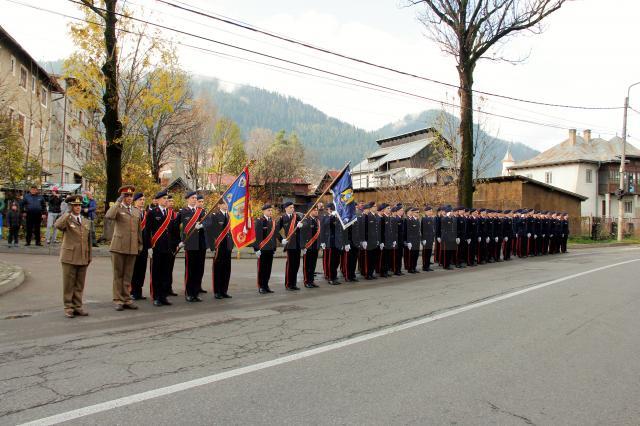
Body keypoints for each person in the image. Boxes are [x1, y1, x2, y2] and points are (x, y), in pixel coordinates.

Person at [105, 185, 142, 311]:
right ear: (122, 197)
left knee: (128, 275)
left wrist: (140, 244)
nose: (129, 198)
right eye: (126, 195)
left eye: (131, 196)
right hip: (118, 247)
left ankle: (127, 298)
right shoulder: (118, 209)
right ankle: (118, 299)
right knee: (118, 275)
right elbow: (109, 215)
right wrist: (117, 201)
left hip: (132, 247)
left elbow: (138, 231)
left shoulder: (136, 211)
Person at [55, 195, 92, 318]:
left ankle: (77, 306)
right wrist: (66, 214)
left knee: (79, 283)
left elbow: (89, 241)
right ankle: (68, 307)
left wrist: (89, 256)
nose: (78, 208)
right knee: (68, 283)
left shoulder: (86, 221)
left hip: (82, 256)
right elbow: (58, 225)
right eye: (75, 205)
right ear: (71, 207)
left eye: (79, 205)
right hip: (69, 257)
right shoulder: (67, 219)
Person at [145, 190, 176, 306]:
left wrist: (175, 244)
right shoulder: (152, 213)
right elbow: (148, 231)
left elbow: (173, 231)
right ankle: (156, 296)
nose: (166, 200)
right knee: (156, 273)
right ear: (158, 200)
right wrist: (148, 247)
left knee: (165, 272)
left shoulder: (170, 213)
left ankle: (163, 296)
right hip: (156, 247)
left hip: (167, 247)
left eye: (167, 199)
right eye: (164, 198)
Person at [177, 191, 207, 302]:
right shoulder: (183, 212)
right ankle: (189, 293)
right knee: (190, 270)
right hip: (190, 244)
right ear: (188, 199)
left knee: (198, 270)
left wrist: (203, 225)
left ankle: (195, 292)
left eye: (195, 198)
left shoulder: (202, 211)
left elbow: (209, 223)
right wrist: (179, 241)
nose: (194, 200)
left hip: (201, 244)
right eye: (192, 198)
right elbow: (176, 227)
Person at [206, 198, 234, 299]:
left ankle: (224, 290)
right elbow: (209, 232)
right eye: (224, 204)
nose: (226, 205)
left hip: (228, 246)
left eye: (227, 204)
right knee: (218, 269)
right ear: (219, 205)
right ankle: (217, 291)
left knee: (227, 269)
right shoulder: (214, 216)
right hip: (219, 247)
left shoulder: (230, 216)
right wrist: (212, 247)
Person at [277, 202, 304, 291]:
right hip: (290, 244)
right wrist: (282, 240)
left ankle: (294, 284)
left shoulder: (297, 217)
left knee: (296, 265)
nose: (292, 209)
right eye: (290, 207)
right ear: (286, 209)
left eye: (293, 207)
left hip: (297, 244)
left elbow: (304, 229)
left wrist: (301, 226)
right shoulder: (282, 218)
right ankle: (288, 284)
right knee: (290, 265)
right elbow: (275, 231)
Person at [254, 203, 278, 294]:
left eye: (271, 210)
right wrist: (256, 249)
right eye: (269, 210)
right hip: (262, 249)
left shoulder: (272, 221)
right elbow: (256, 236)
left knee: (268, 268)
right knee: (262, 269)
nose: (271, 212)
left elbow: (275, 234)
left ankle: (266, 285)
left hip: (270, 249)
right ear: (264, 211)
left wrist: (282, 239)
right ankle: (261, 286)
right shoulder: (260, 221)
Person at [130, 192, 148, 300]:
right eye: (140, 200)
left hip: (144, 246)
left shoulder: (145, 213)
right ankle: (132, 291)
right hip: (134, 245)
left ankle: (139, 291)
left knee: (142, 269)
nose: (142, 201)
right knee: (134, 269)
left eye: (143, 200)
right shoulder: (132, 212)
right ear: (135, 201)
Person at [321, 202, 344, 285]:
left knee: (336, 261)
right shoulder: (325, 217)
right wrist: (322, 241)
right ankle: (331, 278)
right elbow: (324, 227)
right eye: (331, 209)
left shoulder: (337, 217)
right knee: (331, 261)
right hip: (330, 242)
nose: (332, 210)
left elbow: (341, 229)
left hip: (337, 242)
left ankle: (334, 276)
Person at [300, 203, 321, 288]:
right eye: (315, 210)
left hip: (315, 246)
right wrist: (303, 246)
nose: (316, 212)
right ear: (310, 211)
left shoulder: (317, 220)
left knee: (313, 265)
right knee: (307, 265)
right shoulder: (306, 220)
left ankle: (311, 281)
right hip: (308, 246)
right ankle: (307, 281)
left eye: (317, 210)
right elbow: (301, 234)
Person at [166, 194, 179, 297]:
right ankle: (162, 289)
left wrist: (178, 242)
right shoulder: (163, 214)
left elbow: (177, 231)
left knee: (170, 267)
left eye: (172, 201)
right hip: (163, 244)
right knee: (162, 268)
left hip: (172, 244)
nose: (171, 203)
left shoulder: (175, 215)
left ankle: (169, 288)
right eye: (170, 201)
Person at [403, 207, 421, 273]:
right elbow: (408, 232)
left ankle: (414, 267)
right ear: (413, 213)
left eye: (419, 212)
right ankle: (410, 268)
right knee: (412, 255)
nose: (418, 213)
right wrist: (409, 242)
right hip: (412, 241)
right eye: (417, 212)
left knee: (416, 255)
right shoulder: (409, 220)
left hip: (417, 241)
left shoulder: (417, 220)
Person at [421, 206, 436, 271]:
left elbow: (432, 229)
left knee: (429, 253)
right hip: (426, 239)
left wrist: (433, 238)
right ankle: (425, 266)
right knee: (425, 253)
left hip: (430, 238)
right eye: (429, 211)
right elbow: (422, 230)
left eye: (431, 211)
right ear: (426, 212)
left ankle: (428, 266)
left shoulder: (431, 219)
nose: (431, 212)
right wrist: (423, 239)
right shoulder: (424, 219)